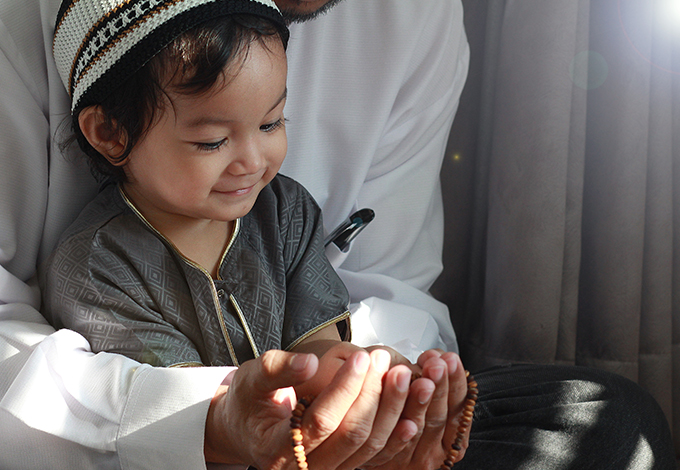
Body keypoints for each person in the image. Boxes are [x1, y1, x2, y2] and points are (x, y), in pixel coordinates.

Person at [0, 0, 676, 469]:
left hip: (305, 431)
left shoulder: (282, 209)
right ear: (109, 134)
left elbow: (362, 301)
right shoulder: (97, 260)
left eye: (272, 124)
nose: (253, 163)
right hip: (163, 445)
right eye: (210, 139)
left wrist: (380, 398)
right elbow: (147, 398)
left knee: (608, 420)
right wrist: (222, 425)